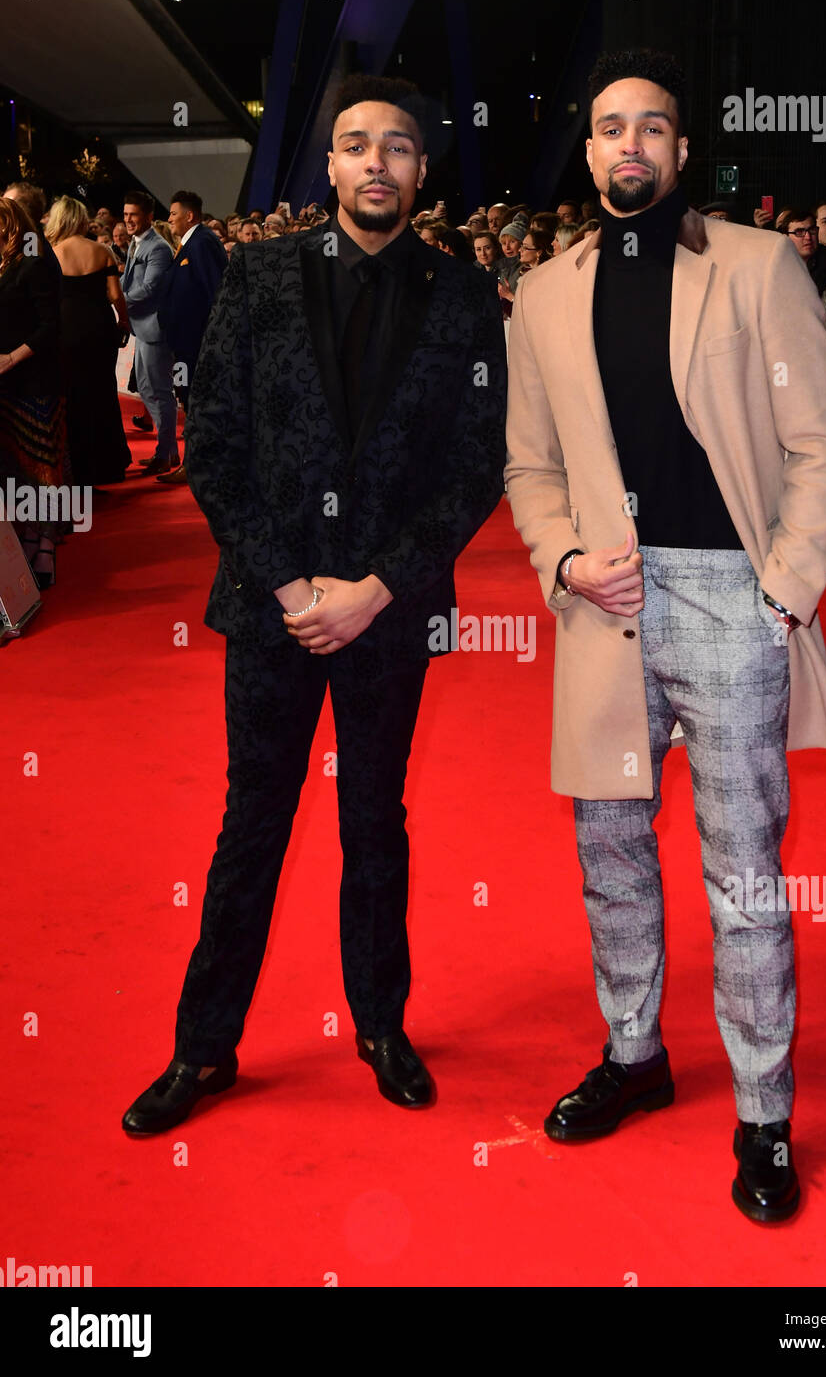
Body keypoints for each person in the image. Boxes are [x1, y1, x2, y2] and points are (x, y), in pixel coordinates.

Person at [503, 47, 826, 1224]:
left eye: (651, 128)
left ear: (680, 149)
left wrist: (784, 591)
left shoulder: (759, 265)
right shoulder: (546, 289)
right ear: (589, 148)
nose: (628, 147)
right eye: (609, 128)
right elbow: (530, 464)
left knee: (744, 875)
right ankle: (635, 1053)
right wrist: (558, 559)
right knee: (611, 859)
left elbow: (820, 442)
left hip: (729, 600)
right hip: (601, 604)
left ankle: (764, 1114)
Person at [121, 73, 507, 1136]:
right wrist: (295, 588)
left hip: (390, 606)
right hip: (272, 607)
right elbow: (219, 451)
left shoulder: (463, 295)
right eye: (354, 145)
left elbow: (473, 469)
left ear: (421, 171)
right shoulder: (256, 277)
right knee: (254, 820)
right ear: (329, 165)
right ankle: (203, 1047)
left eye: (396, 146)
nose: (374, 163)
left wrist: (376, 589)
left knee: (375, 819)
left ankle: (380, 1024)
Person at [0, 197, 66, 588]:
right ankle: (26, 534)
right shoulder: (4, 267)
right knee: (14, 469)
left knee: (42, 468)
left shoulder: (34, 264)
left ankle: (45, 543)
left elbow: (50, 326)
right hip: (4, 385)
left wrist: (12, 357)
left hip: (35, 381)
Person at [46, 196, 132, 487]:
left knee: (71, 396)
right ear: (81, 219)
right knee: (102, 393)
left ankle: (75, 470)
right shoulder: (103, 250)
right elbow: (115, 295)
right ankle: (105, 466)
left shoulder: (51, 254)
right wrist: (124, 321)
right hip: (98, 328)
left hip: (65, 332)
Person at [153, 189, 228, 484]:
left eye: (173, 214)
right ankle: (194, 463)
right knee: (189, 400)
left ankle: (196, 465)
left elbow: (215, 291)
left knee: (197, 402)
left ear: (189, 215)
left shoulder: (202, 243)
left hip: (198, 344)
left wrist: (212, 338)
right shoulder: (191, 244)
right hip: (185, 343)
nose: (169, 219)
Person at [121, 190, 179, 474]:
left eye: (133, 215)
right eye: (125, 215)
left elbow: (149, 289)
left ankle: (164, 454)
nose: (128, 220)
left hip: (156, 328)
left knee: (159, 392)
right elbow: (129, 280)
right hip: (144, 328)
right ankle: (169, 452)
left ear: (149, 217)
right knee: (147, 389)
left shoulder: (156, 247)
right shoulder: (137, 243)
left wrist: (117, 301)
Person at [778, 208, 826, 291]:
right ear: (786, 237)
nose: (808, 237)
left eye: (812, 230)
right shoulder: (777, 261)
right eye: (799, 232)